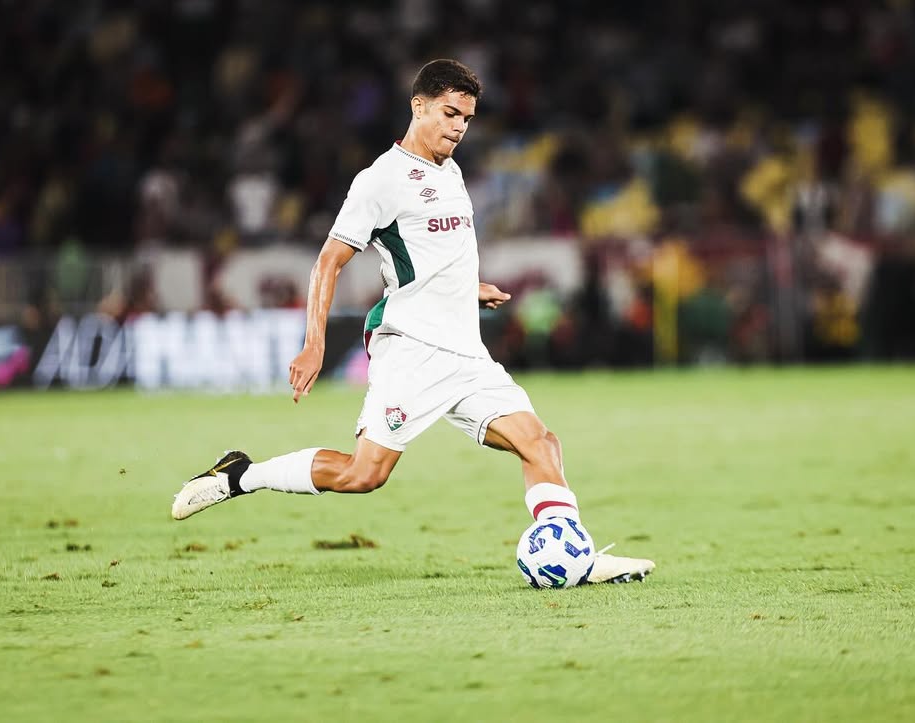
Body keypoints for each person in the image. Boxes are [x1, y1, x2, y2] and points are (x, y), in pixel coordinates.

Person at [171, 59, 654, 584]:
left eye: (467, 119)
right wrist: (314, 344)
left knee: (540, 443)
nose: (458, 128)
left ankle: (574, 557)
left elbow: (432, 255)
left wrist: (470, 288)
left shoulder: (452, 171)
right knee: (364, 474)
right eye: (449, 113)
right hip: (412, 350)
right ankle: (242, 475)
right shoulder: (380, 181)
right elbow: (328, 262)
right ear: (418, 106)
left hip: (466, 354)